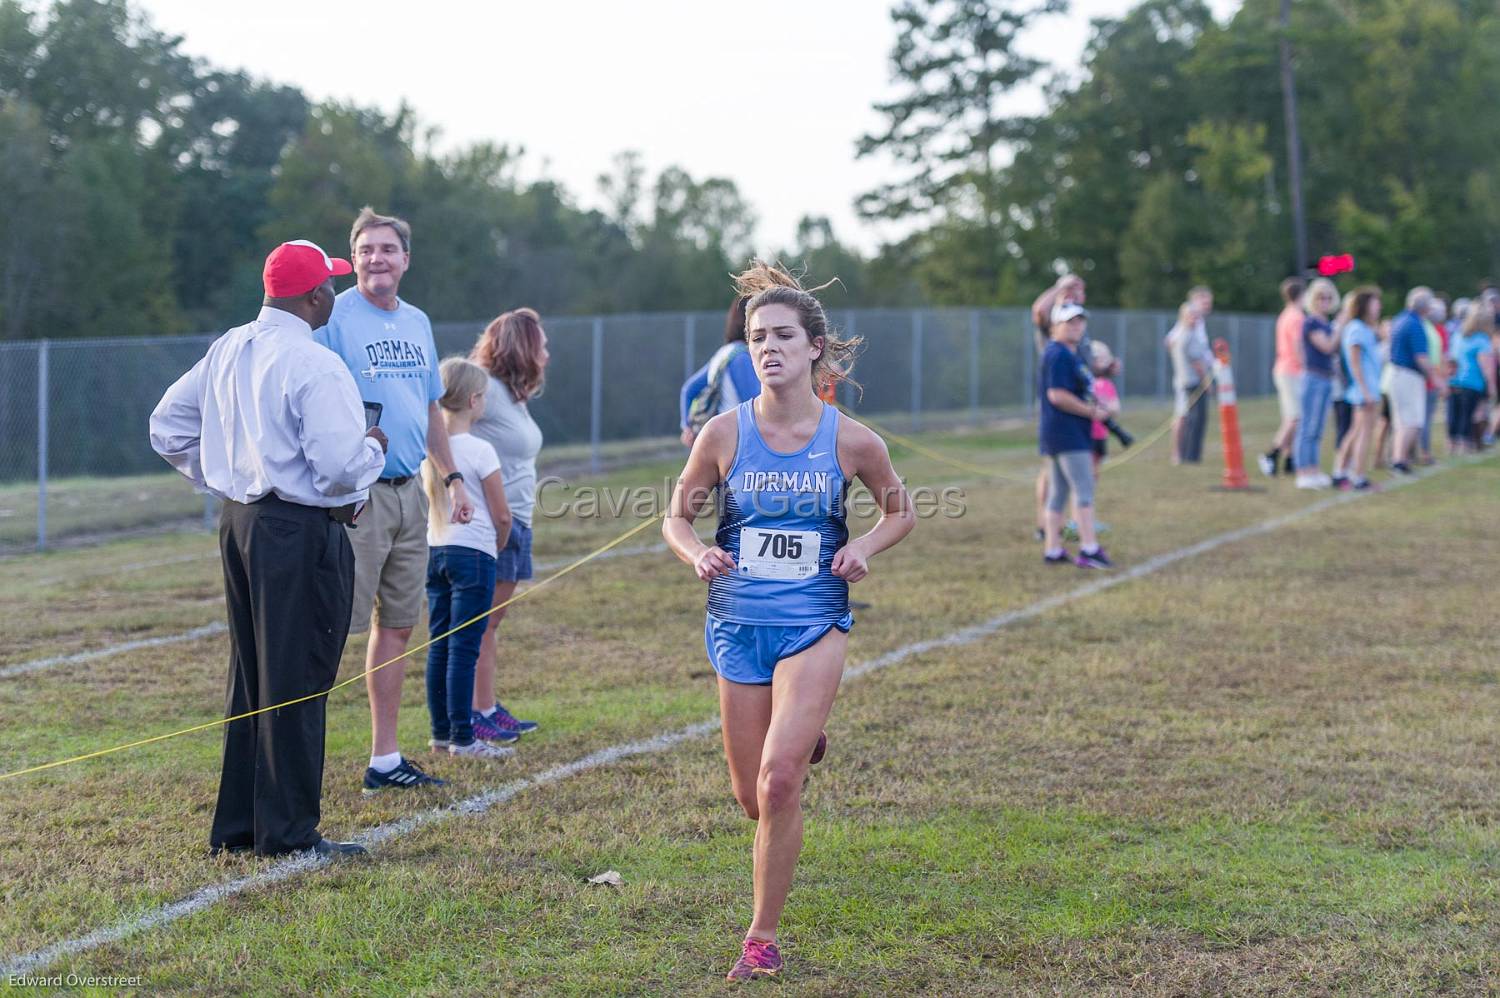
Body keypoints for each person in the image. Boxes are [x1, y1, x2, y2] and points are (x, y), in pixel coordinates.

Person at [662, 262, 914, 983]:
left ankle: (762, 939)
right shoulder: (720, 433)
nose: (765, 347)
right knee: (750, 799)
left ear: (814, 348)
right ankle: (803, 735)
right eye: (754, 337)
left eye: (780, 335)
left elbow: (901, 509)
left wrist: (862, 546)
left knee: (778, 783)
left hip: (814, 621)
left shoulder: (853, 440)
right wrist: (697, 551)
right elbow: (676, 514)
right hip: (738, 624)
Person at [149, 240, 386, 858]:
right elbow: (337, 469)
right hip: (297, 530)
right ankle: (288, 833)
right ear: (314, 297)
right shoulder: (314, 363)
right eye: (330, 285)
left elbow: (166, 425)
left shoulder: (229, 346)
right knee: (300, 675)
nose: (335, 293)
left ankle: (239, 828)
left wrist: (228, 477)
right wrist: (375, 450)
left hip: (239, 524)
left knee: (251, 676)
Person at [315, 206, 474, 795]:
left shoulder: (417, 321)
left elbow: (429, 407)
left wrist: (452, 478)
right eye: (366, 250)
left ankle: (384, 759)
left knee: (399, 627)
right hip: (354, 497)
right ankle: (300, 758)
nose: (377, 258)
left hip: (410, 493)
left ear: (406, 259)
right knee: (333, 629)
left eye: (387, 249)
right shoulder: (331, 318)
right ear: (352, 258)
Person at [421, 358, 515, 760]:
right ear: (475, 400)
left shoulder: (431, 452)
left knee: (438, 644)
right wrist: (498, 544)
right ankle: (463, 737)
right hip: (474, 554)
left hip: (436, 551)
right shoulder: (479, 450)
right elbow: (503, 515)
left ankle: (441, 735)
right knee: (464, 647)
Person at [467, 308, 549, 740]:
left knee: (490, 624)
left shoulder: (510, 394)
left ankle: (486, 705)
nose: (547, 353)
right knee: (479, 623)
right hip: (491, 522)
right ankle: (472, 714)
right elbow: (446, 431)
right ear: (522, 346)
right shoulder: (482, 386)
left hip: (517, 520)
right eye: (542, 345)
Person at [1040, 302, 1113, 567]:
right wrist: (1090, 411)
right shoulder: (1058, 354)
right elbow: (1057, 395)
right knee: (1084, 491)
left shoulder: (1068, 353)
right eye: (1070, 322)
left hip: (1063, 434)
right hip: (1068, 434)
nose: (1076, 326)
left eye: (1080, 321)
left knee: (1058, 493)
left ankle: (1053, 550)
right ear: (1056, 326)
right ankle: (1089, 548)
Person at [1030, 274, 1085, 537]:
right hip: (1056, 406)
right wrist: (1059, 287)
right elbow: (1039, 310)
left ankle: (1074, 523)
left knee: (1076, 473)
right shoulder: (1054, 320)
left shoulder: (1078, 321)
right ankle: (1045, 525)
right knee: (1051, 470)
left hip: (1077, 405)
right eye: (1071, 289)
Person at [680, 296, 761, 447]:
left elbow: (688, 390)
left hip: (720, 438)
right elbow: (756, 406)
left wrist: (687, 427)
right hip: (738, 441)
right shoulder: (742, 358)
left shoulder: (724, 353)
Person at [1387, 287, 1443, 475]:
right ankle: (1400, 460)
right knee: (1413, 420)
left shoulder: (1400, 319)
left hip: (1396, 374)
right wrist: (1436, 378)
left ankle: (1398, 458)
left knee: (1401, 420)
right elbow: (1421, 357)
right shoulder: (1415, 324)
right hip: (1408, 375)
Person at [1292, 279, 1340, 489]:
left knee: (1318, 428)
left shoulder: (1325, 323)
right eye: (1321, 297)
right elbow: (1327, 346)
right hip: (1314, 378)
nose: (1325, 301)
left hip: (1325, 377)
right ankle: (1303, 471)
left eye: (1328, 297)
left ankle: (1314, 468)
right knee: (1307, 427)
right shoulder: (1312, 322)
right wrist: (1340, 328)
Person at [1335, 286, 1384, 491]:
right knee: (1363, 433)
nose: (1378, 306)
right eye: (1375, 302)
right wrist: (1364, 391)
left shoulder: (1365, 328)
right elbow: (1354, 363)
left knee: (1355, 432)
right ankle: (1358, 476)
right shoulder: (1356, 328)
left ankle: (1340, 473)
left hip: (1369, 387)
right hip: (1364, 390)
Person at [1260, 277, 1306, 476]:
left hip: (1284, 369)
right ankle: (1272, 454)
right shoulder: (1296, 316)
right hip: (1291, 370)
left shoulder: (1286, 314)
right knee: (1296, 417)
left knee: (1292, 416)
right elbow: (1297, 346)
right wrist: (1305, 366)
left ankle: (1290, 459)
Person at [1166, 286, 1214, 464]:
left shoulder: (1199, 324)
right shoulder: (1187, 325)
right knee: (1183, 415)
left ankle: (1184, 454)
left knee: (1187, 415)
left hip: (1191, 377)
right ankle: (1179, 454)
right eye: (1204, 301)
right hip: (1188, 379)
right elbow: (1170, 340)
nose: (1208, 305)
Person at [1447, 303, 1496, 454]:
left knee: (1454, 417)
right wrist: (1492, 386)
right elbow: (1486, 366)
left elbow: (1451, 359)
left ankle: (1451, 448)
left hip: (1455, 380)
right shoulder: (1482, 339)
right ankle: (1464, 448)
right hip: (1472, 382)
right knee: (1466, 417)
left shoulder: (1457, 335)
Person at [1087, 340, 1121, 473]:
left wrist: (1104, 407)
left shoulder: (1107, 384)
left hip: (1101, 435)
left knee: (1095, 468)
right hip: (1087, 434)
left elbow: (1115, 409)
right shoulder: (1087, 383)